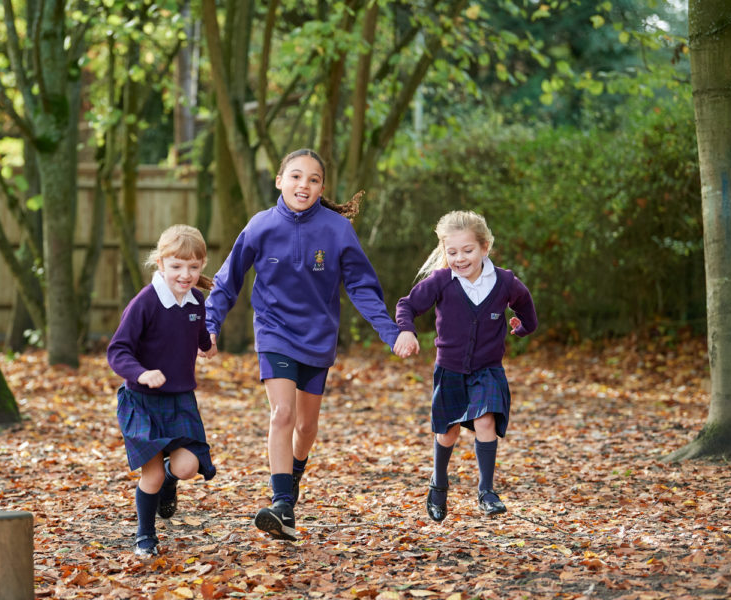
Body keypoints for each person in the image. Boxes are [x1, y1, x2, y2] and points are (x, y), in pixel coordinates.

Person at [205, 148, 403, 541]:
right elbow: (228, 281)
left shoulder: (337, 230)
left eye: (313, 179)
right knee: (282, 413)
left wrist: (392, 332)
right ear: (280, 181)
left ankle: (293, 477)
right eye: (295, 176)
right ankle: (282, 502)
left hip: (318, 336)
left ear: (321, 188)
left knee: (307, 426)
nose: (303, 185)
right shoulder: (260, 226)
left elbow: (362, 287)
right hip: (275, 331)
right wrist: (210, 325)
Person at [394, 210, 537, 522]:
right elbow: (407, 305)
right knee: (448, 432)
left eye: (467, 250)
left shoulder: (505, 282)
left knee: (486, 421)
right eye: (452, 251)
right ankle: (438, 484)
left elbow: (526, 306)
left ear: (485, 247)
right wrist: (406, 330)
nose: (459, 258)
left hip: (488, 368)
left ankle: (487, 491)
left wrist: (523, 327)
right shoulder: (441, 281)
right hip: (450, 370)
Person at [107, 224, 218, 557]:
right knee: (151, 476)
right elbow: (117, 351)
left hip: (180, 399)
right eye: (177, 266)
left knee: (186, 468)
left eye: (194, 267)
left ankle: (172, 480)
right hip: (143, 401)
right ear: (161, 263)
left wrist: (207, 344)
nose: (185, 274)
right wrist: (141, 374)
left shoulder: (196, 300)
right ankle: (145, 537)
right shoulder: (146, 302)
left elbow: (195, 332)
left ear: (202, 265)